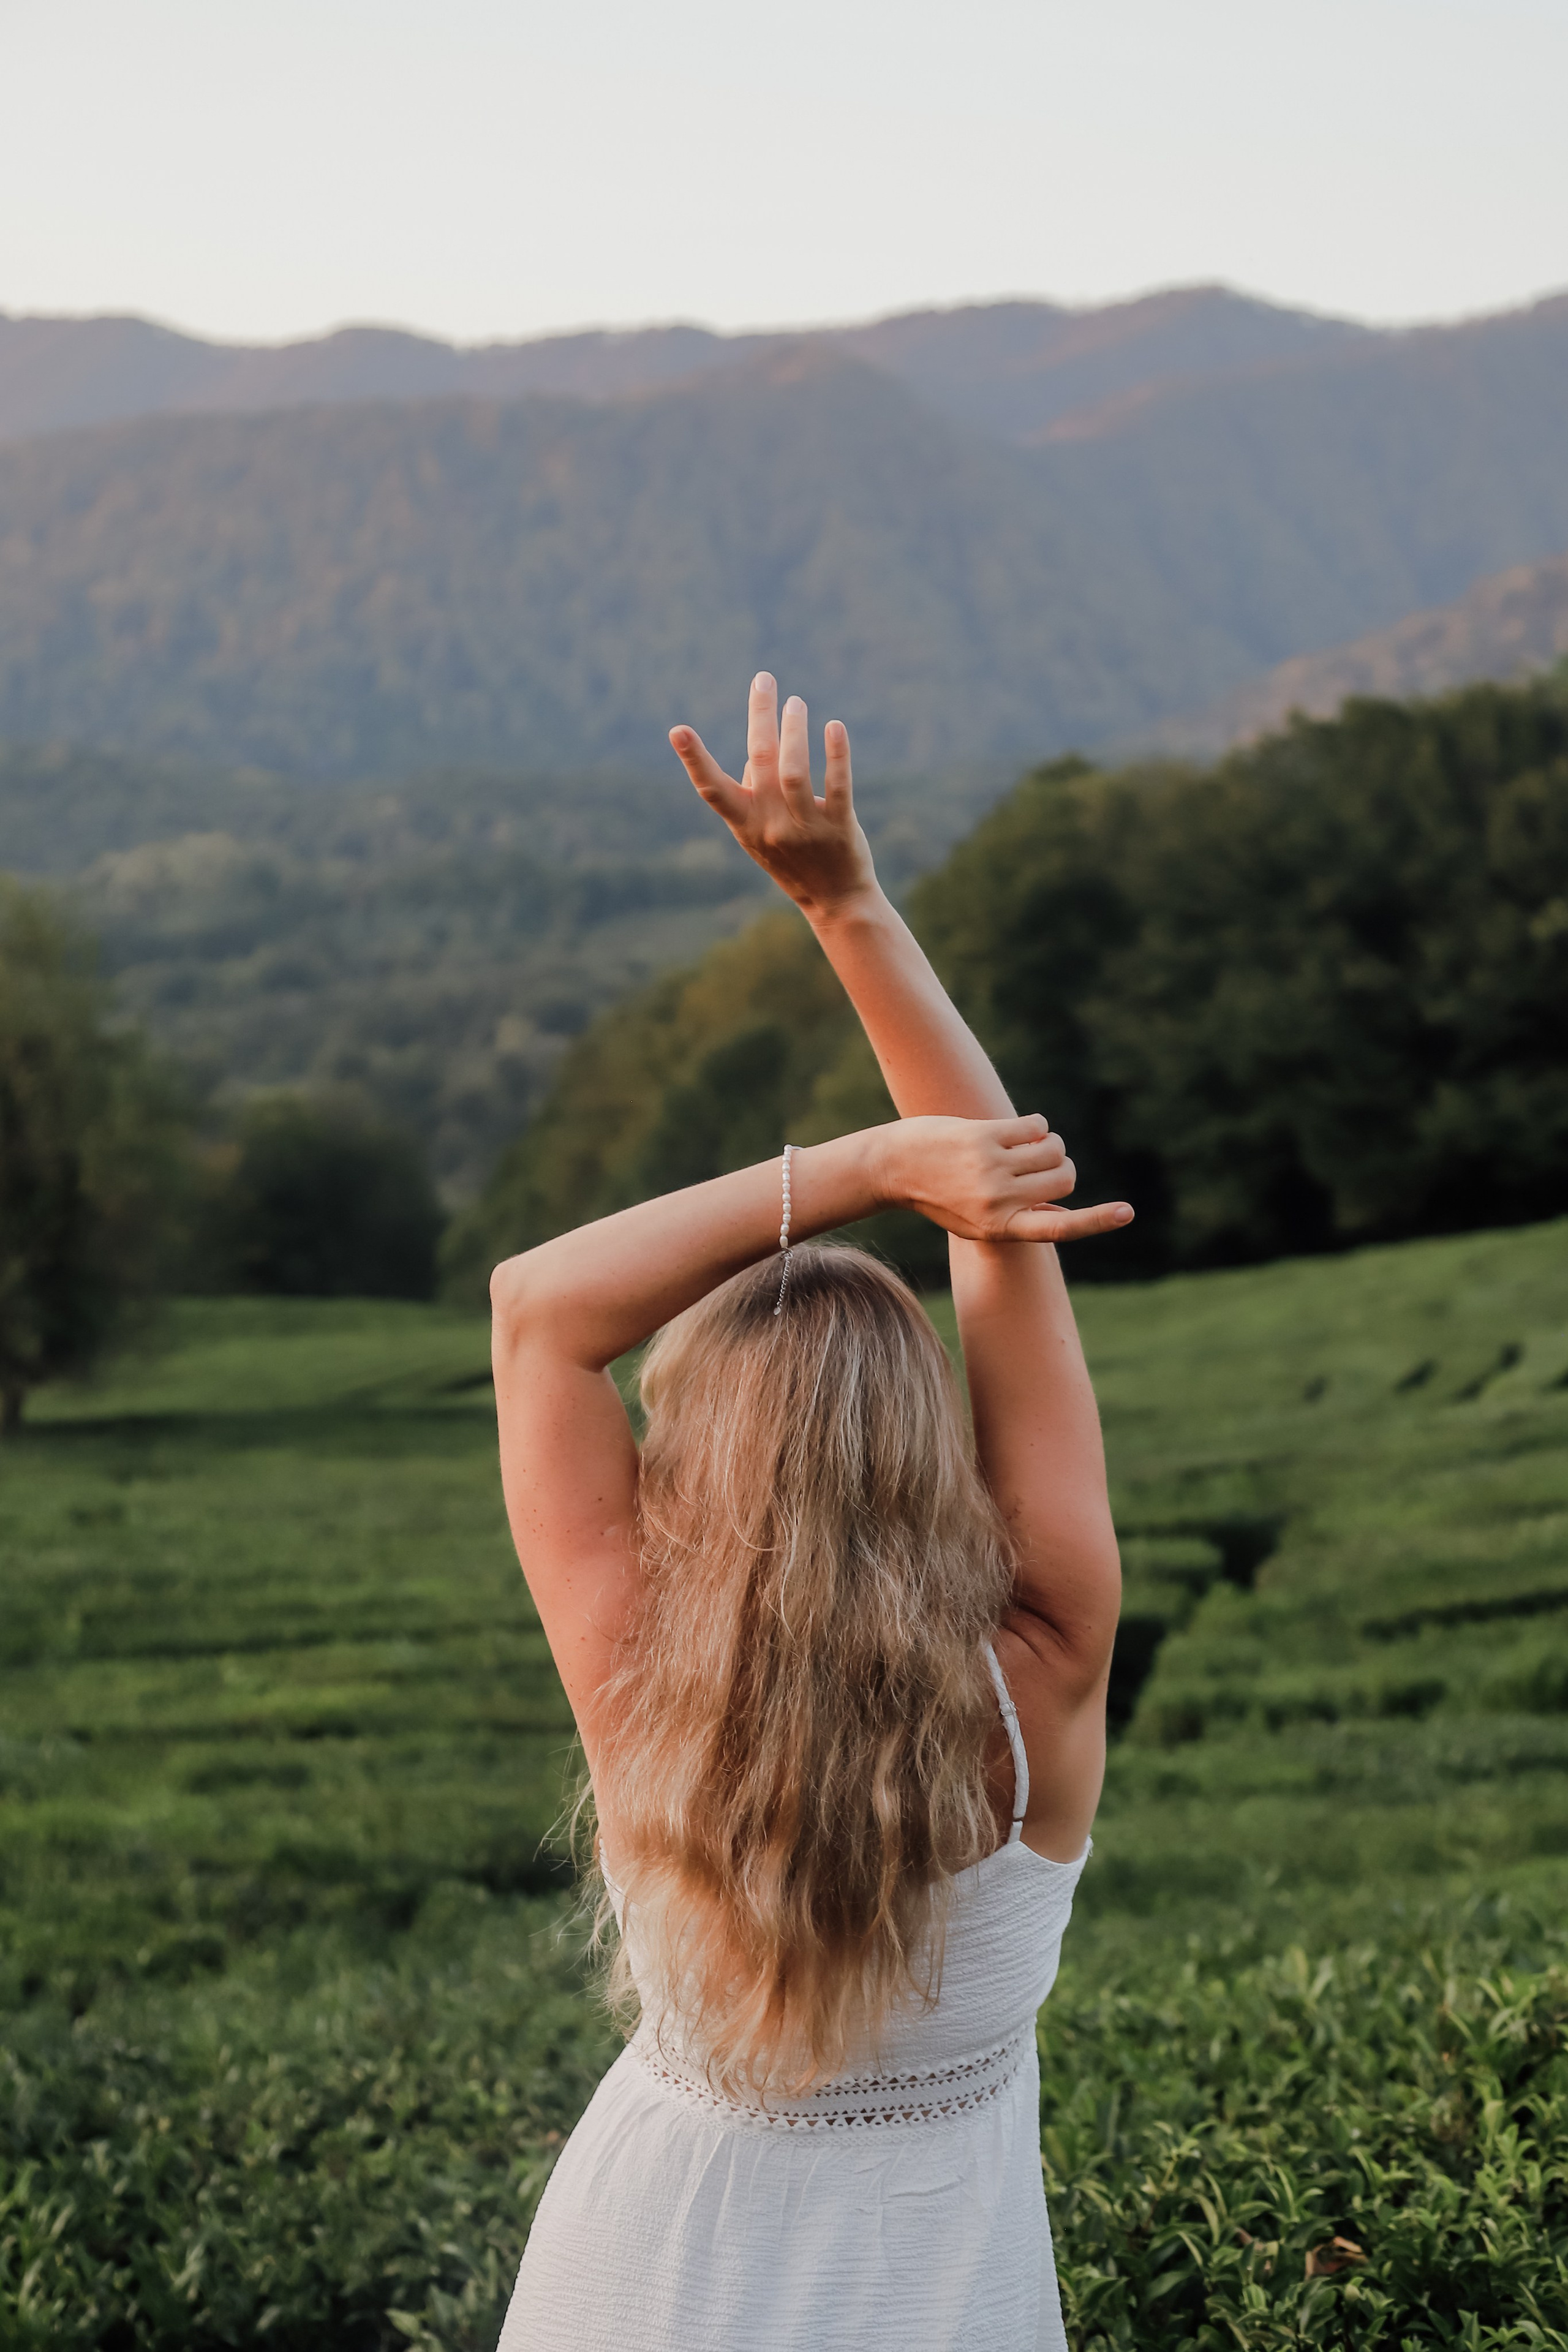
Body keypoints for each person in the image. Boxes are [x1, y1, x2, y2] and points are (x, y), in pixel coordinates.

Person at [491, 674, 1133, 2352]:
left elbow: (538, 1310)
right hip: (948, 2290)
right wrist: (848, 904)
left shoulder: (642, 1684)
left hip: (638, 2276)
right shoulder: (1044, 1667)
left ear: (690, 1473)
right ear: (932, 1447)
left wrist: (854, 1168)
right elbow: (1004, 1227)